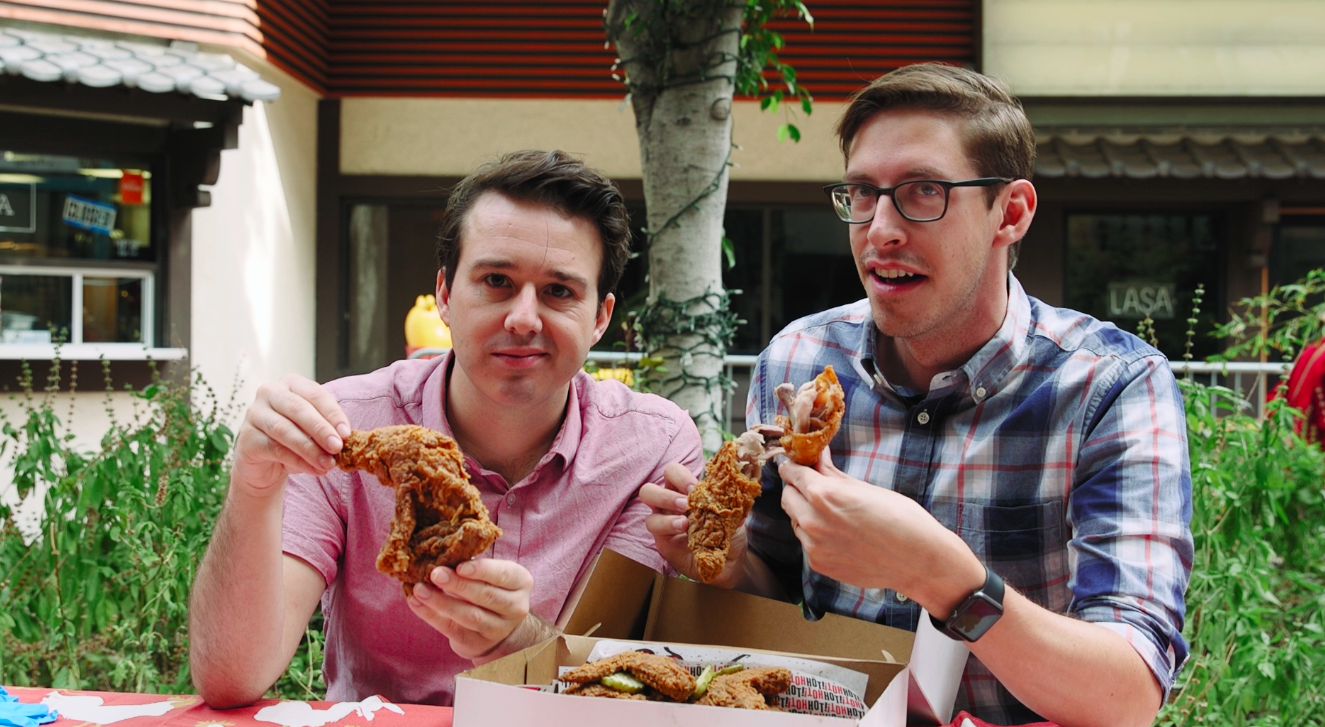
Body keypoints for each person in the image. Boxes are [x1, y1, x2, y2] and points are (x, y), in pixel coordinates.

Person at [642, 64, 1193, 727]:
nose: (879, 229)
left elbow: (1127, 693)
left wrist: (942, 576)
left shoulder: (1110, 385)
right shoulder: (799, 359)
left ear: (1009, 212)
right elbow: (780, 585)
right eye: (861, 193)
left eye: (922, 191)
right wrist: (733, 568)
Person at [189, 150, 703, 707]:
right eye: (497, 280)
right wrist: (253, 486)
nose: (524, 318)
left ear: (600, 318)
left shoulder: (652, 450)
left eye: (560, 291)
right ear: (445, 295)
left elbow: (602, 681)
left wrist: (516, 639)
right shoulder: (346, 427)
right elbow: (230, 678)